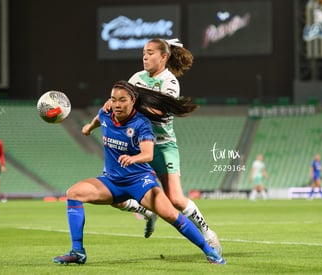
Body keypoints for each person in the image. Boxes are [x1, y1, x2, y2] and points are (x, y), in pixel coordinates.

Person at [53, 81, 225, 265]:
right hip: (112, 182)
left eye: (122, 100)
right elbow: (98, 118)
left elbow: (148, 153)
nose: (117, 104)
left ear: (133, 101)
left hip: (140, 182)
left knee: (172, 216)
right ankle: (77, 252)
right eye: (113, 99)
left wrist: (133, 158)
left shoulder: (141, 124)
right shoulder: (106, 113)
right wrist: (89, 127)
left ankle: (210, 252)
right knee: (74, 193)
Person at [103, 38, 222, 255]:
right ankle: (147, 212)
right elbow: (121, 103)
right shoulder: (136, 78)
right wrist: (113, 104)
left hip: (163, 146)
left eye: (150, 53)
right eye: (143, 53)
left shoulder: (170, 82)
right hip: (136, 148)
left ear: (164, 57)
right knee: (114, 197)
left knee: (175, 199)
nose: (145, 57)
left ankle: (207, 233)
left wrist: (126, 104)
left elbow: (157, 112)